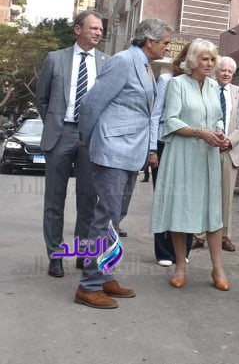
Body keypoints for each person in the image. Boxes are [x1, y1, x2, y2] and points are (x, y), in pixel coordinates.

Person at [74, 18, 172, 309]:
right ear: (149, 41)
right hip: (112, 149)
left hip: (130, 152)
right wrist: (89, 141)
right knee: (105, 220)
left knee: (115, 220)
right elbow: (92, 103)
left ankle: (104, 276)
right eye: (165, 41)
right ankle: (88, 286)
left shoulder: (143, 65)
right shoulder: (123, 61)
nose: (168, 45)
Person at [150, 38, 230, 291]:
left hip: (207, 157)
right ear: (193, 61)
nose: (209, 63)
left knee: (212, 213)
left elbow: (217, 117)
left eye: (212, 59)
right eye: (205, 59)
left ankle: (218, 269)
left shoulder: (213, 87)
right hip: (183, 155)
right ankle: (180, 267)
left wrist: (218, 133)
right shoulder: (177, 84)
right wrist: (199, 133)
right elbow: (170, 120)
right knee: (181, 210)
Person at [36, 10, 108, 278]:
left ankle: (83, 252)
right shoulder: (55, 59)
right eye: (93, 28)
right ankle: (55, 255)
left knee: (89, 199)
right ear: (77, 29)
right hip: (60, 134)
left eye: (100, 29)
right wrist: (54, 123)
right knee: (54, 199)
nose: (98, 32)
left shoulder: (106, 62)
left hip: (91, 137)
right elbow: (41, 99)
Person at [190, 57, 239, 252]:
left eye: (229, 72)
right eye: (222, 70)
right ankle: (198, 235)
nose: (225, 74)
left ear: (233, 74)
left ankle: (225, 237)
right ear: (216, 71)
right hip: (206, 148)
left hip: (229, 150)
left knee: (226, 197)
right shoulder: (206, 90)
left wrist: (229, 141)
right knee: (203, 194)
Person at [147, 44, 193, 266]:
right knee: (165, 198)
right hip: (165, 144)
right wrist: (152, 149)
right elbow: (155, 115)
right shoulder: (167, 80)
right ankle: (164, 251)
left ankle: (183, 251)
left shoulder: (203, 85)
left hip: (192, 147)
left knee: (188, 199)